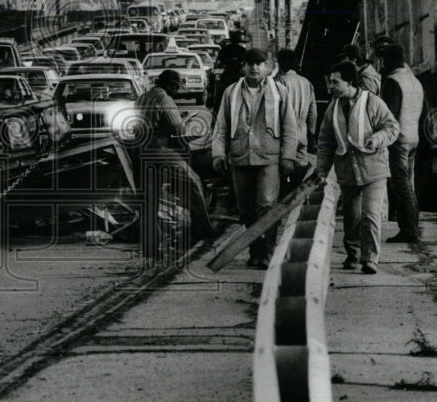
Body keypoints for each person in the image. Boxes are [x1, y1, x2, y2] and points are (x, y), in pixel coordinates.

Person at [211, 48, 299, 269]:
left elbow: (290, 128)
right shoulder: (231, 92)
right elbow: (221, 126)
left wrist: (288, 156)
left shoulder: (279, 91)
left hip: (269, 158)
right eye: (250, 63)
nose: (254, 67)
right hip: (240, 159)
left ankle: (267, 251)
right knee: (246, 209)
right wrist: (218, 154)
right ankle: (255, 250)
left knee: (267, 206)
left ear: (267, 66)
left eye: (259, 63)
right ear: (244, 66)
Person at [315, 60, 401, 274]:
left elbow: (392, 127)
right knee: (351, 217)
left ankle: (370, 259)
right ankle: (352, 255)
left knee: (370, 215)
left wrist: (378, 138)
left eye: (335, 83)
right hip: (347, 171)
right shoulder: (332, 109)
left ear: (350, 82)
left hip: (373, 169)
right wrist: (321, 172)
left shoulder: (373, 102)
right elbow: (326, 141)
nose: (330, 87)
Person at [135, 69, 218, 245]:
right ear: (170, 86)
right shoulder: (165, 98)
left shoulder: (143, 97)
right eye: (176, 88)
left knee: (151, 196)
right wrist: (183, 123)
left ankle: (152, 239)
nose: (177, 91)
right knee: (193, 181)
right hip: (159, 149)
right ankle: (203, 229)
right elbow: (178, 130)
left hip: (142, 150)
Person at [376, 43, 426, 243]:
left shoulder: (392, 81)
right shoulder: (413, 79)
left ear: (386, 61)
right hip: (413, 137)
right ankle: (411, 226)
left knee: (401, 184)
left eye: (381, 61)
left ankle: (409, 230)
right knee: (408, 183)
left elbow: (389, 115)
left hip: (398, 141)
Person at [275, 48, 317, 196]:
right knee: (300, 172)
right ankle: (296, 204)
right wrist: (310, 133)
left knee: (282, 174)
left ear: (279, 63)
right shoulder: (306, 82)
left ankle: (283, 208)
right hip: (302, 132)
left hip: (285, 135)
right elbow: (313, 112)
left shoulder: (279, 82)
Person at [212, 29, 246, 112]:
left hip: (229, 74)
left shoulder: (224, 50)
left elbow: (219, 64)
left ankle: (216, 108)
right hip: (236, 74)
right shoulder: (243, 51)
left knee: (219, 92)